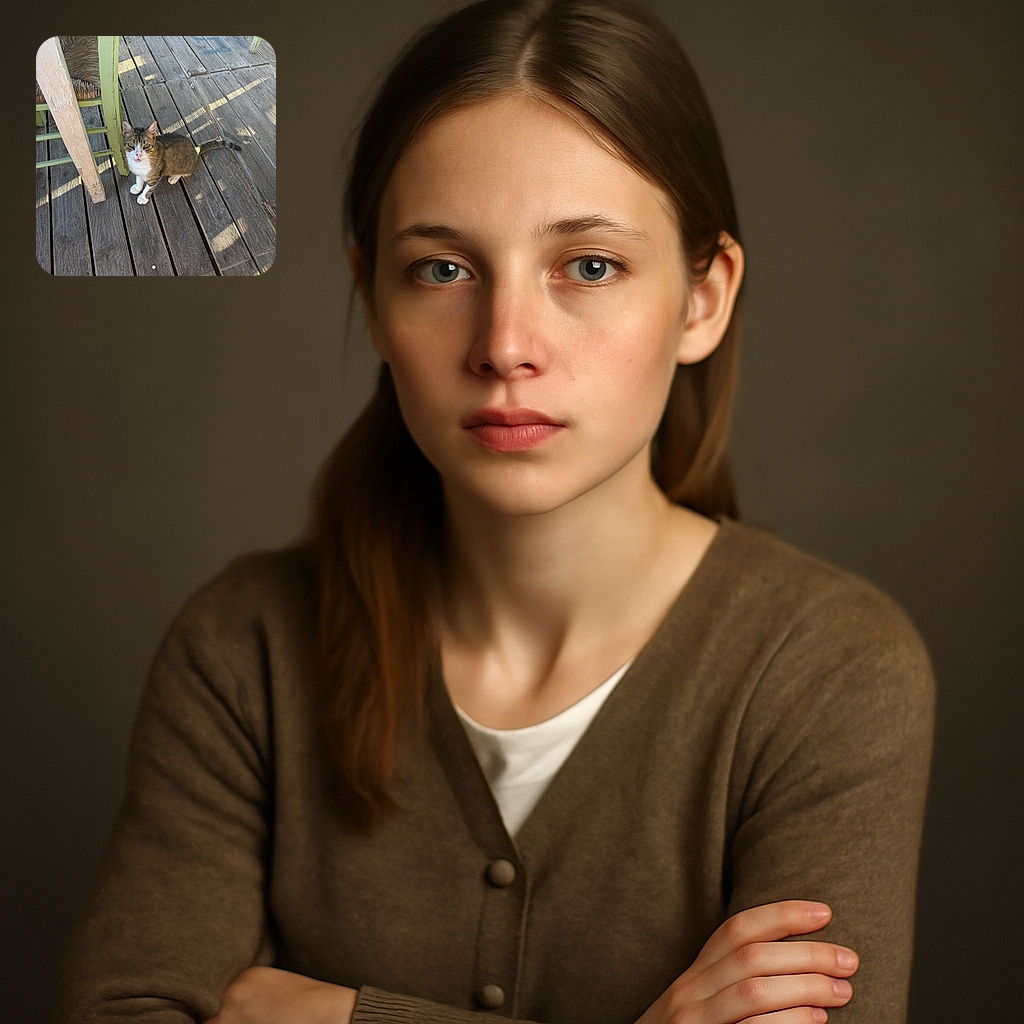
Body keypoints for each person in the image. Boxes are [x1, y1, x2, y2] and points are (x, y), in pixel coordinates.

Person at [56, 2, 934, 1022]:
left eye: (589, 266)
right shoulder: (242, 648)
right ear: (375, 299)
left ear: (702, 298)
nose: (505, 342)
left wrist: (342, 1016)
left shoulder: (832, 671)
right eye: (443, 268)